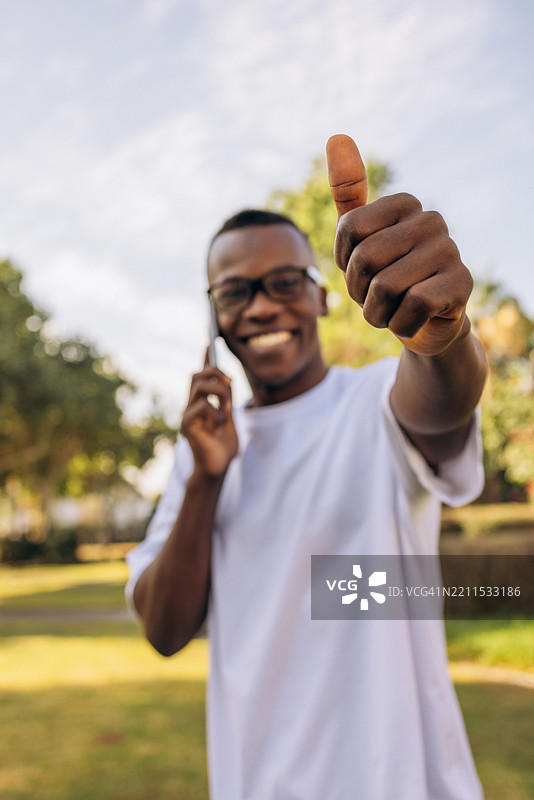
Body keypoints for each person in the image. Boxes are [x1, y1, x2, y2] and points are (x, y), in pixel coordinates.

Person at [126, 134, 488, 799]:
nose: (262, 305)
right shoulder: (200, 449)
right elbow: (165, 629)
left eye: (285, 282)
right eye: (235, 293)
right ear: (215, 317)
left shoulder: (372, 399)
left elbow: (437, 408)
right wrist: (208, 478)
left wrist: (445, 338)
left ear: (322, 297)